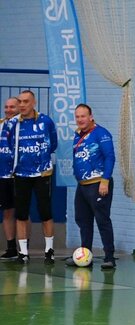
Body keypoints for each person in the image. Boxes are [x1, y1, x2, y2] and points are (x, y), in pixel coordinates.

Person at [5, 90, 58, 265]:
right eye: (20, 101)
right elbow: (10, 145)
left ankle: (49, 251)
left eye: (26, 101)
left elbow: (53, 143)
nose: (22, 105)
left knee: (45, 213)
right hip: (21, 174)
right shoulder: (12, 123)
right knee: (21, 214)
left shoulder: (46, 121)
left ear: (34, 103)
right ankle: (23, 252)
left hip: (42, 173)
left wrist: (41, 157)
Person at [64, 104, 117, 269]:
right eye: (77, 116)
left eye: (83, 116)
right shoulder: (78, 135)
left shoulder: (101, 133)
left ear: (91, 117)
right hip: (82, 186)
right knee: (82, 220)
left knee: (102, 220)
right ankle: (85, 256)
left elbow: (110, 157)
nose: (80, 119)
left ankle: (109, 257)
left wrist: (105, 180)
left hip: (98, 183)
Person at [0, 97, 20, 259]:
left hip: (20, 175)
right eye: (6, 107)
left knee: (22, 212)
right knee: (7, 211)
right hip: (3, 175)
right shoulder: (1, 124)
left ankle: (24, 248)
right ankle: (11, 248)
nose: (8, 110)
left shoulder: (24, 126)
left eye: (12, 107)